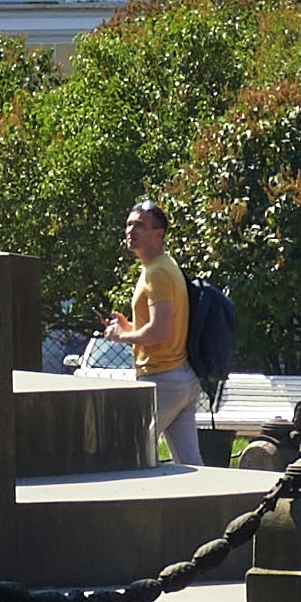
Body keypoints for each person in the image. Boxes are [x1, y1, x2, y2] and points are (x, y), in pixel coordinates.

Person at [109, 199, 200, 471]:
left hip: (162, 381)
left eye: (139, 225)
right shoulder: (160, 266)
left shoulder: (158, 272)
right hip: (181, 379)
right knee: (192, 464)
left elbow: (160, 332)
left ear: (158, 233)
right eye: (128, 224)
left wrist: (120, 336)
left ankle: (135, 511)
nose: (131, 231)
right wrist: (129, 328)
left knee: (126, 454)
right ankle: (205, 512)